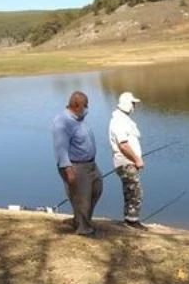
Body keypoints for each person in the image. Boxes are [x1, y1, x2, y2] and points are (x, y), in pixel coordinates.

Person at [51, 91, 103, 235]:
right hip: (76, 166)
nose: (87, 108)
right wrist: (67, 168)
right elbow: (60, 147)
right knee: (82, 198)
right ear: (76, 104)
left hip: (90, 164)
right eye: (85, 106)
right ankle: (83, 228)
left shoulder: (78, 119)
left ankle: (80, 221)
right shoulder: (62, 121)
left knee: (96, 189)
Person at [108, 91, 147, 230]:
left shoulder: (123, 119)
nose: (134, 107)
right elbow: (123, 145)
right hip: (125, 162)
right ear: (126, 104)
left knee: (130, 190)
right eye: (133, 104)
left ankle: (130, 219)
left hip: (128, 162)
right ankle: (132, 221)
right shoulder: (118, 121)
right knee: (135, 191)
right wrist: (137, 159)